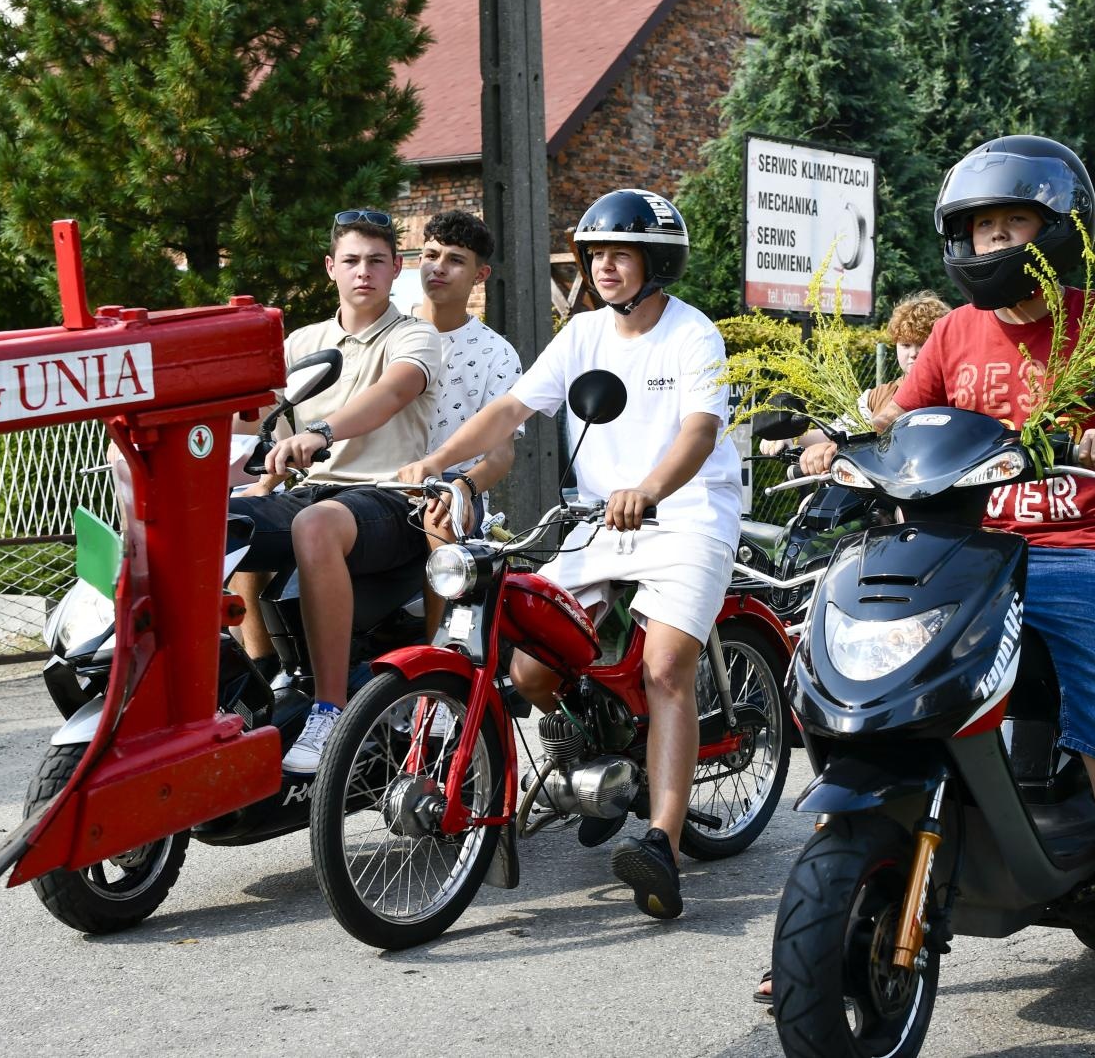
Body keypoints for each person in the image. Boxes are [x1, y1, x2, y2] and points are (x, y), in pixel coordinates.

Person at [795, 135, 1095, 1045]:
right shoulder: (954, 332)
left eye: (1013, 220)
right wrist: (830, 436)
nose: (993, 239)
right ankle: (830, 914)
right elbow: (891, 412)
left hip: (1079, 549)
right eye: (978, 226)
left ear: (1059, 230)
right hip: (966, 545)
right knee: (863, 688)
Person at [398, 188, 742, 920]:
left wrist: (649, 486)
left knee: (664, 670)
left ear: (656, 261)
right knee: (528, 662)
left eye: (621, 253)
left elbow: (700, 432)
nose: (605, 266)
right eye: (596, 254)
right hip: (601, 523)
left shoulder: (692, 335)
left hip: (686, 516)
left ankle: (660, 845)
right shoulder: (583, 332)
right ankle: (596, 748)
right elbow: (509, 411)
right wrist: (436, 464)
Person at [228, 208, 441, 775]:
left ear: (398, 268)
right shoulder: (304, 341)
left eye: (376, 261)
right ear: (330, 268)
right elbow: (262, 423)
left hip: (394, 498)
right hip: (313, 491)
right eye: (351, 261)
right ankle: (245, 684)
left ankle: (329, 710)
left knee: (313, 524)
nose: (363, 272)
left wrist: (319, 432)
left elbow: (395, 393)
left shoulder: (416, 334)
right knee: (222, 520)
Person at [412, 210, 524, 638]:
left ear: (481, 274)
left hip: (454, 484)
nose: (438, 267)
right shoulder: (392, 334)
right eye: (430, 254)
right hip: (378, 476)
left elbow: (501, 453)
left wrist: (465, 487)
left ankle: (439, 660)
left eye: (456, 259)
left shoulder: (497, 354)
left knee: (442, 518)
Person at [758, 290, 949, 454]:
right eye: (905, 345)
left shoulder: (956, 393)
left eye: (922, 344)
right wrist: (792, 438)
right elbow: (836, 433)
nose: (913, 354)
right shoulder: (878, 397)